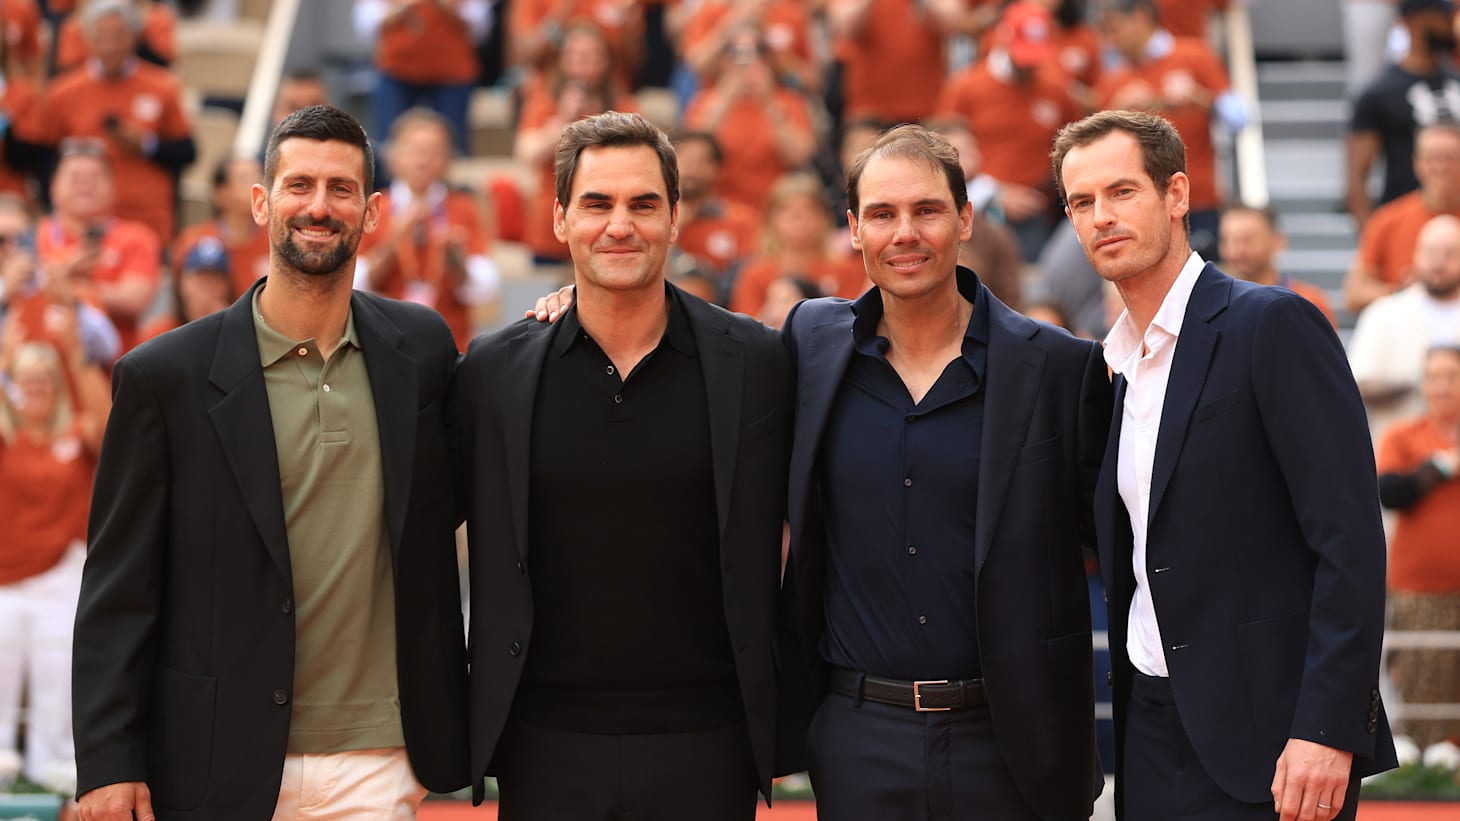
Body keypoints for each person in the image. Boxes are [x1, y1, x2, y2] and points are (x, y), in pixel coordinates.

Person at [71, 105, 469, 821]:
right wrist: (107, 760)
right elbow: (119, 586)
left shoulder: (423, 349)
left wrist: (569, 309)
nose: (319, 206)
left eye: (341, 188)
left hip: (379, 757)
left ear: (372, 211)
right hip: (215, 756)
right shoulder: (165, 377)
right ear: (261, 202)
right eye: (299, 185)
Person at [1052, 108, 1397, 821]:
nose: (1101, 217)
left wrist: (1327, 727)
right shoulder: (1113, 368)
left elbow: (1350, 542)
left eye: (1122, 191)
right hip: (1150, 733)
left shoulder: (1271, 324)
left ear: (1176, 194)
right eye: (1081, 202)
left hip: (1278, 745)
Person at [454, 110, 791, 821]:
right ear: (560, 219)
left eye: (643, 204)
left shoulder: (756, 361)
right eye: (597, 204)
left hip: (710, 741)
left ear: (675, 217)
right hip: (543, 744)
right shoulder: (494, 370)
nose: (619, 225)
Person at [776, 123, 1110, 821]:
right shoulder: (809, 341)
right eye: (882, 214)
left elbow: (1120, 540)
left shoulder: (1059, 366)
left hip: (1013, 740)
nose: (905, 233)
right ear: (854, 229)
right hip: (858, 736)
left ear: (964, 219)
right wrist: (577, 311)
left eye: (926, 210)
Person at [0, 319, 109, 786]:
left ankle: (54, 766)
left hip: (62, 575)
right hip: (6, 577)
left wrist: (76, 354)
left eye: (44, 377)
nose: (36, 387)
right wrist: (4, 358)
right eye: (26, 378)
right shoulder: (6, 438)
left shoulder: (76, 435)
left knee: (56, 675)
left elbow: (111, 427)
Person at [32, 0, 194, 243]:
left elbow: (187, 152)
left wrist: (147, 144)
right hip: (81, 227)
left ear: (134, 37)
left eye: (119, 36)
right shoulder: (62, 92)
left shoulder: (163, 86)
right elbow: (45, 159)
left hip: (147, 221)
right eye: (102, 36)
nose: (110, 46)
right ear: (88, 38)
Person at [1096, 0, 1244, 262]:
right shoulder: (1113, 81)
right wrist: (1118, 112)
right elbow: (1100, 153)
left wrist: (1200, 98)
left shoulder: (1195, 55)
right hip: (1140, 210)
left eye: (1114, 29)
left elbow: (1240, 119)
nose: (1111, 40)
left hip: (1197, 202)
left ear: (1140, 17)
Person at [936, 1, 1083, 262]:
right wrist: (992, 191)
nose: (1029, 66)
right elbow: (939, 152)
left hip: (1037, 213)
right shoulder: (967, 87)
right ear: (1003, 40)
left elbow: (1076, 144)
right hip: (976, 209)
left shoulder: (1056, 87)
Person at [356, 107, 499, 351]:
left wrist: (457, 262)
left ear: (448, 160)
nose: (423, 159)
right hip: (385, 343)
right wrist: (392, 243)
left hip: (450, 342)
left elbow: (486, 289)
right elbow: (355, 285)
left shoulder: (464, 207)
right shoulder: (374, 207)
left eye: (434, 151)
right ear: (393, 156)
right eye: (414, 150)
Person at [1376, 344, 1460, 750]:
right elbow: (1389, 492)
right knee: (1425, 692)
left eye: (1451, 377)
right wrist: (1440, 467)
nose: (1442, 386)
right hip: (1420, 588)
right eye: (1434, 377)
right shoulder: (1404, 435)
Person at [35, 138, 161, 354]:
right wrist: (68, 272)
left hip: (114, 366)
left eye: (96, 177)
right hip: (43, 364)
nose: (85, 185)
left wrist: (66, 284)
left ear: (113, 186)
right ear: (53, 186)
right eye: (75, 177)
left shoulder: (137, 237)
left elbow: (134, 300)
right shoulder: (30, 235)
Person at [1347, 0, 1460, 229]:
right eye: (1442, 17)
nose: (1450, 25)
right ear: (1414, 22)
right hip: (1404, 223)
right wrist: (1372, 237)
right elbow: (1357, 176)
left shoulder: (1457, 82)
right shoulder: (1379, 93)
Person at [1348, 212, 1460, 439]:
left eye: (1450, 253)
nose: (1439, 262)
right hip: (1397, 451)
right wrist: (1417, 384)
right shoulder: (1382, 314)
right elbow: (1357, 385)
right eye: (1431, 252)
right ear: (1416, 255)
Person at [1345, 122, 1460, 313]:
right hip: (1408, 324)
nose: (1441, 167)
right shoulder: (1388, 219)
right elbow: (1354, 293)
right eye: (1433, 158)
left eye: (1451, 158)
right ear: (1417, 163)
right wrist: (1405, 293)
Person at [353, 0, 492, 153]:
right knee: (389, 143)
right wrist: (403, 7)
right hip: (396, 71)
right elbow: (366, 26)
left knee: (453, 144)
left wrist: (446, 8)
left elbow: (481, 29)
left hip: (453, 74)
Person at [1217, 204, 1337, 327]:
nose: (1237, 250)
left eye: (1248, 239)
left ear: (1277, 240)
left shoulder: (1308, 302)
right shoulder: (1215, 303)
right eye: (1228, 240)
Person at [171, 155, 271, 297]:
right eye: (244, 179)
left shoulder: (275, 241)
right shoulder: (193, 242)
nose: (257, 185)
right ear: (220, 193)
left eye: (259, 177)